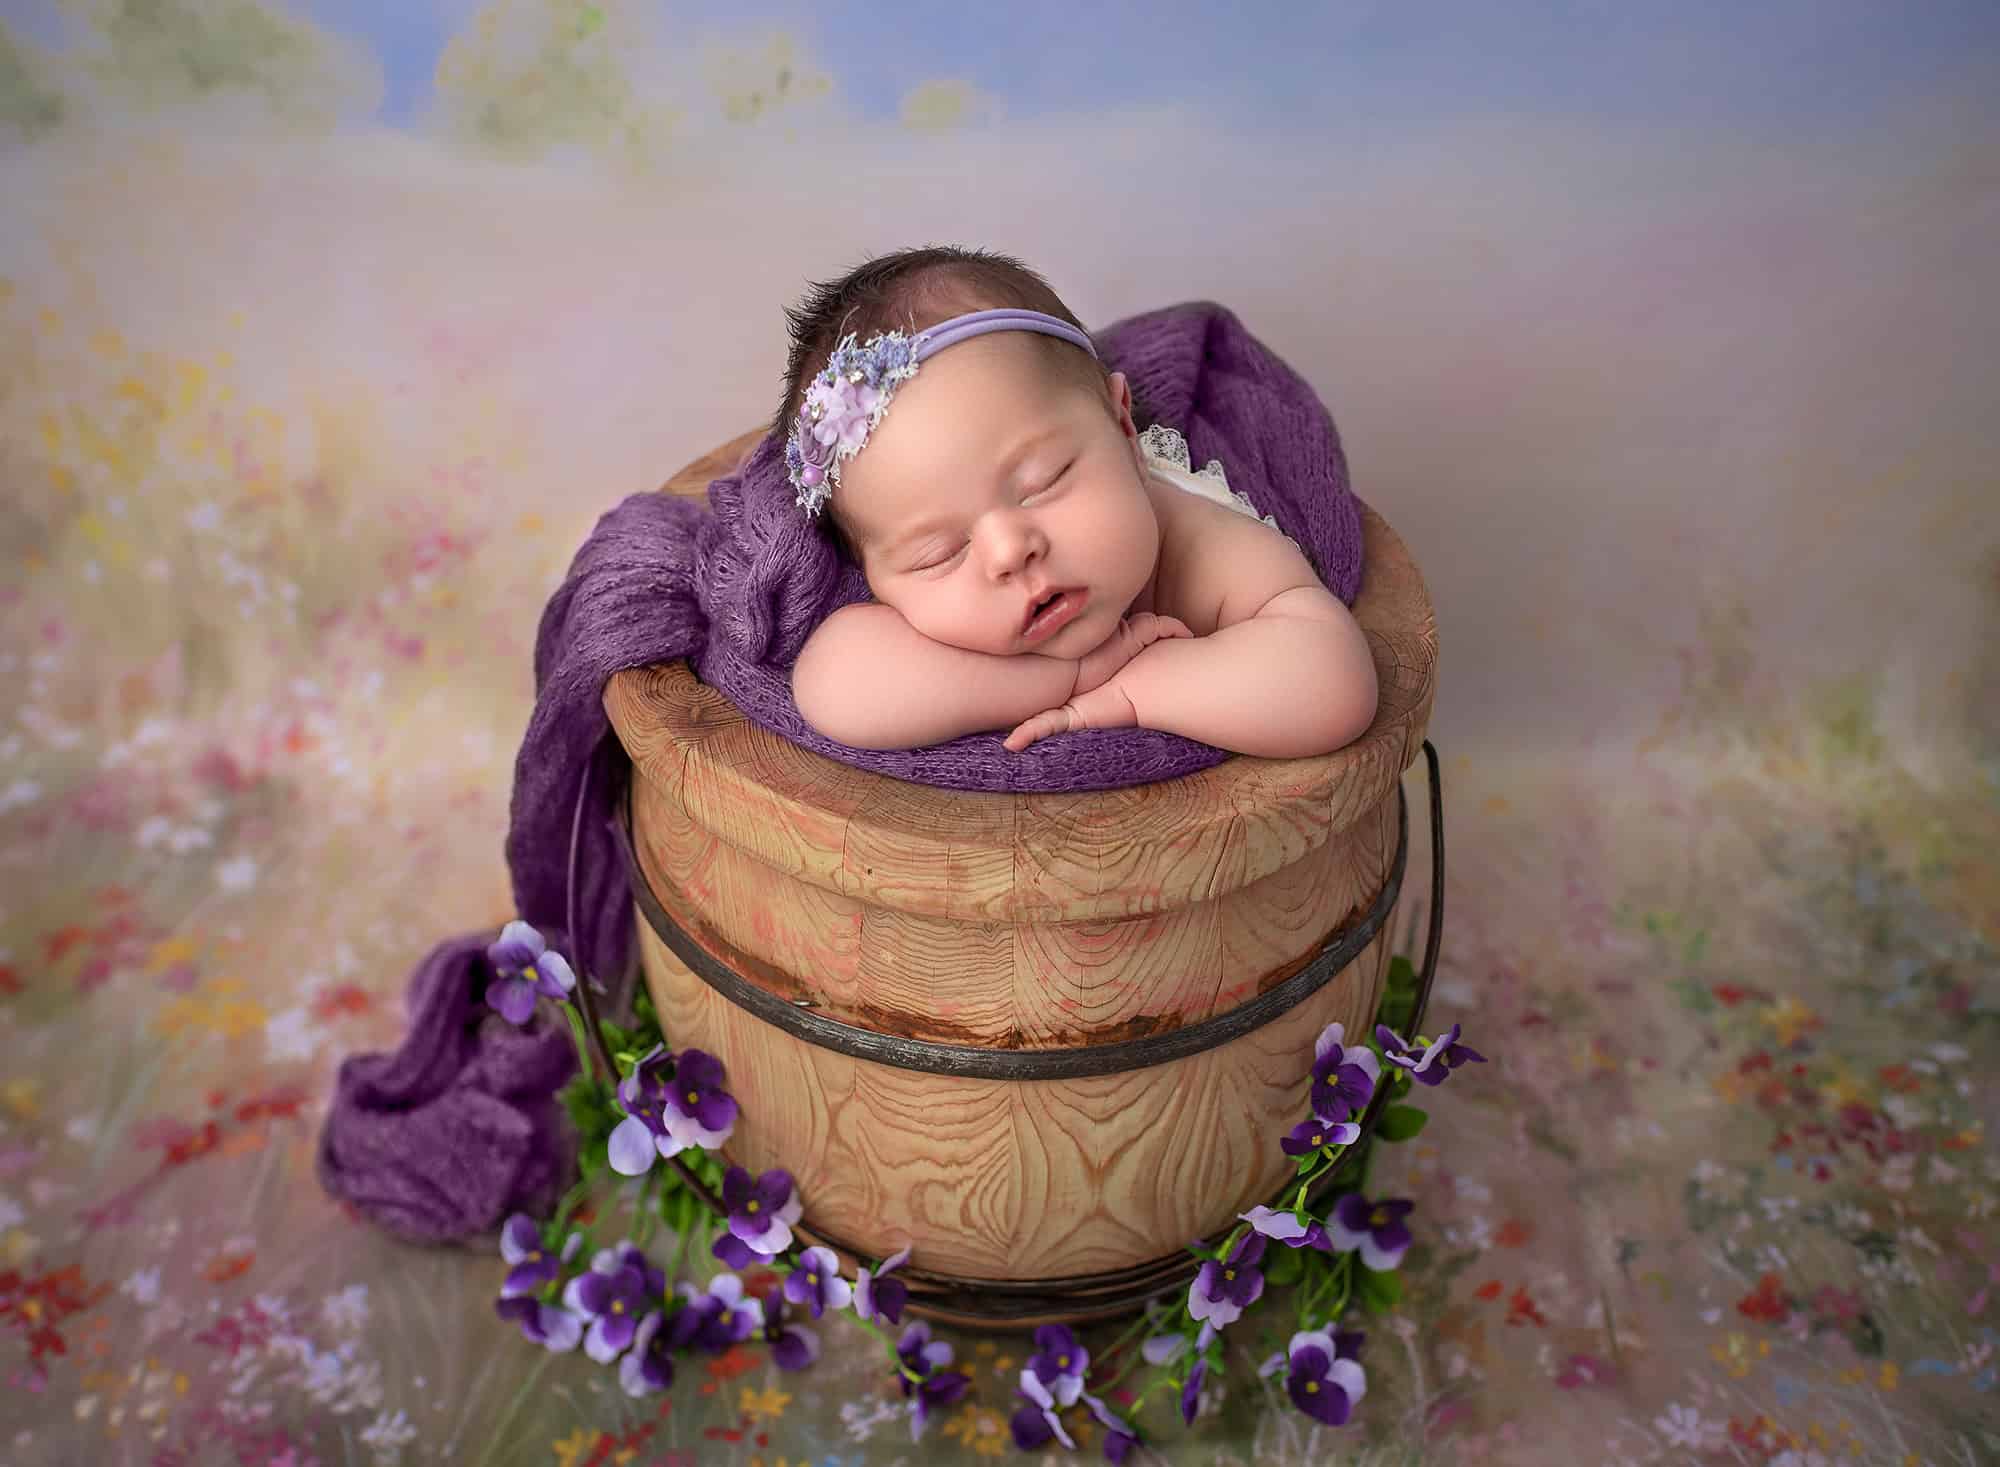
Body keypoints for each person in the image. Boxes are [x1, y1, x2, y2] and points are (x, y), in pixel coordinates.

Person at [783, 247, 1378, 759]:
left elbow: (1331, 681)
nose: (1010, 551)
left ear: (1122, 426)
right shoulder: (921, 602)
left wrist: (1137, 687)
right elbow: (834, 684)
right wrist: (1064, 677)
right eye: (939, 553)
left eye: (1044, 481)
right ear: (875, 581)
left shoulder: (1199, 541)